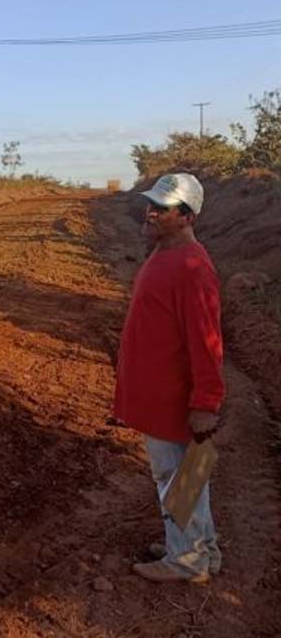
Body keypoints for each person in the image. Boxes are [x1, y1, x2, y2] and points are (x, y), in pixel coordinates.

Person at [113, 172, 225, 583]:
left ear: (187, 217)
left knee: (176, 476)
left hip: (174, 399)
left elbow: (207, 343)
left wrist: (206, 403)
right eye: (151, 205)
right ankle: (200, 547)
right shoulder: (165, 255)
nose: (151, 212)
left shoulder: (192, 268)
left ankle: (187, 559)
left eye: (163, 208)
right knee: (188, 473)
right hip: (160, 396)